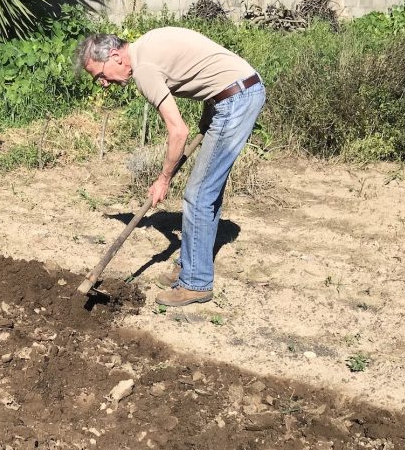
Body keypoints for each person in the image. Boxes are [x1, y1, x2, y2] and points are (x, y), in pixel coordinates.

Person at [75, 28, 265, 307]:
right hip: (232, 93)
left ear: (115, 56)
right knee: (204, 192)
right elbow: (202, 66)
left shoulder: (144, 70)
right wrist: (209, 112)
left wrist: (163, 179)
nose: (103, 84)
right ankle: (190, 264)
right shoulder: (146, 47)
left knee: (199, 194)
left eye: (100, 75)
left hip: (235, 99)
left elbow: (178, 132)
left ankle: (196, 283)